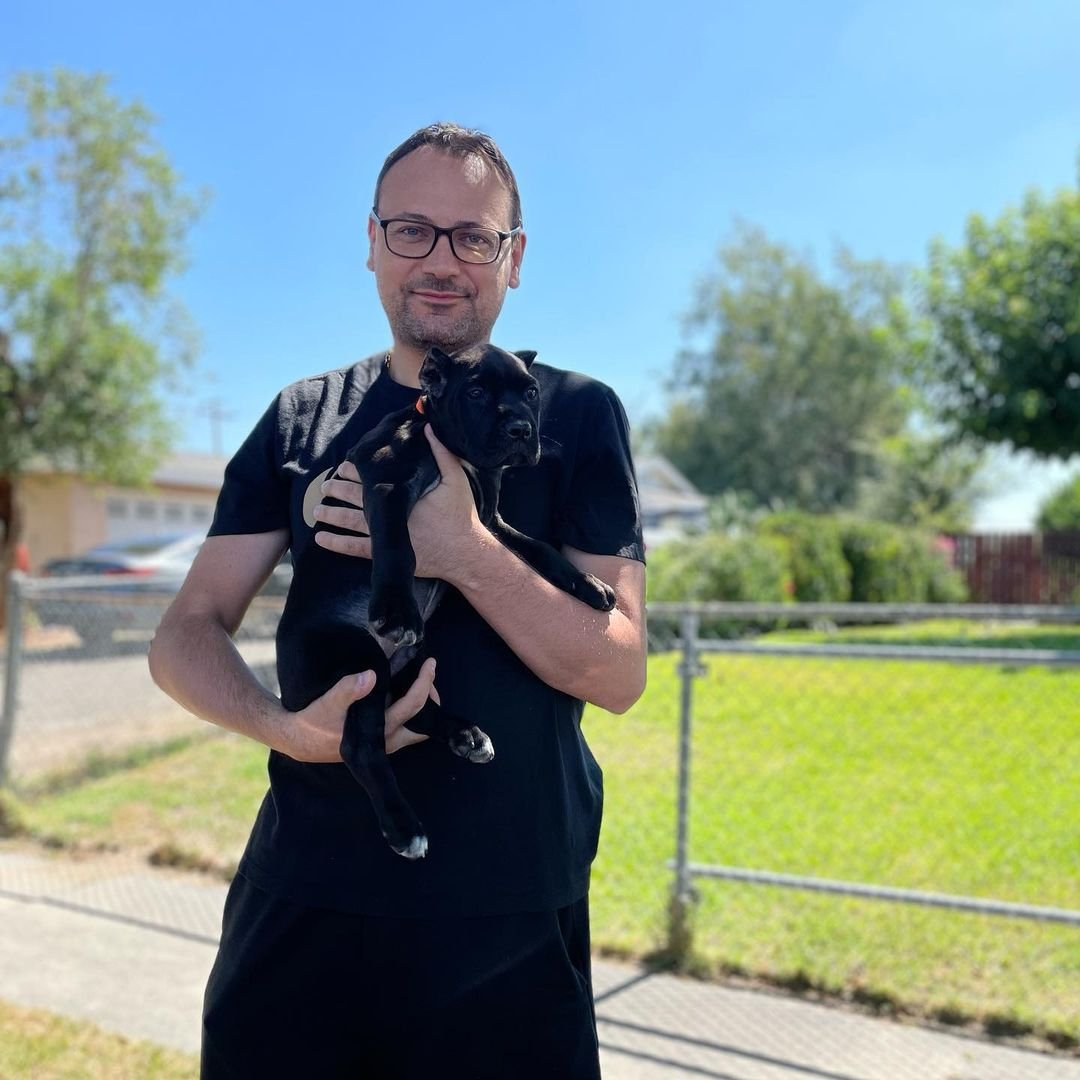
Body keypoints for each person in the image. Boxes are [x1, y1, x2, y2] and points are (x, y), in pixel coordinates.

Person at [149, 122, 647, 1079]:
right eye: (413, 230)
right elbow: (185, 635)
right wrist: (284, 727)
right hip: (305, 900)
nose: (442, 259)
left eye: (475, 236)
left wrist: (459, 546)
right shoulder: (302, 416)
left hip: (507, 914)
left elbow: (616, 671)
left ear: (515, 259)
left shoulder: (576, 414)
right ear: (373, 242)